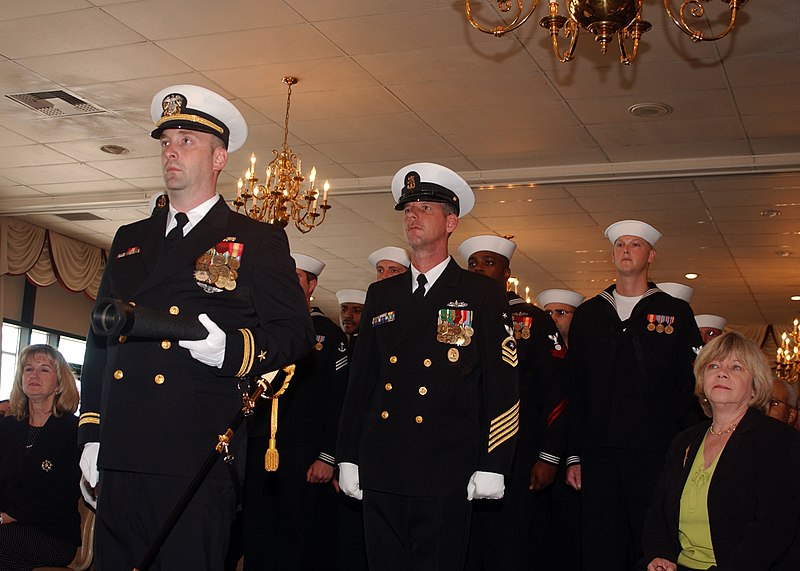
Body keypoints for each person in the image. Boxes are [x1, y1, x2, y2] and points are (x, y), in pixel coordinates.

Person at [77, 84, 314, 569]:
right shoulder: (131, 238)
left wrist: (233, 351)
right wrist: (92, 433)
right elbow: (101, 340)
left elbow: (295, 333)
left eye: (186, 141)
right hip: (122, 449)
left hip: (193, 453)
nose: (171, 152)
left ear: (219, 157)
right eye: (166, 142)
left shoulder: (256, 239)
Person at [337, 162, 520, 570]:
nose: (413, 216)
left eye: (425, 207)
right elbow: (361, 381)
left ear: (451, 221)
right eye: (408, 209)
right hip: (381, 461)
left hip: (445, 466)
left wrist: (494, 464)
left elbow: (502, 387)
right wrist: (347, 454)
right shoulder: (382, 293)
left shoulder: (481, 293)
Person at [566, 219, 704, 570]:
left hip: (655, 450)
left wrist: (689, 449)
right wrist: (572, 455)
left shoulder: (675, 312)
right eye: (620, 244)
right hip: (598, 451)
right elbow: (575, 387)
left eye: (635, 244)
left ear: (651, 255)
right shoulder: (589, 313)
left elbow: (689, 387)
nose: (626, 250)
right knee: (599, 543)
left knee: (651, 541)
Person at [641, 331, 800, 571]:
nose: (721, 372)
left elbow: (773, 527)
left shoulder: (777, 439)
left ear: (755, 388)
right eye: (713, 365)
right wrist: (659, 555)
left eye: (736, 367)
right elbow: (658, 514)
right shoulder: (684, 441)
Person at [459, 235, 569, 571]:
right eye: (473, 264)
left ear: (507, 273)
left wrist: (549, 456)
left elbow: (557, 389)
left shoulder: (531, 320)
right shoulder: (454, 316)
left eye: (489, 263)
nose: (479, 270)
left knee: (508, 546)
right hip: (460, 450)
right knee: (462, 546)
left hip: (517, 451)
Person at [241, 253, 349, 570]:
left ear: (312, 284)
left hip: (305, 453)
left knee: (297, 536)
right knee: (256, 532)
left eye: (297, 277)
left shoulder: (328, 335)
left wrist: (328, 455)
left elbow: (338, 399)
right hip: (259, 447)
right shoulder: (262, 327)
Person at [0, 345, 81, 570]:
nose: (34, 375)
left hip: (52, 532)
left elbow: (62, 496)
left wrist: (7, 517)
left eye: (44, 370)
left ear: (59, 384)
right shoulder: (6, 427)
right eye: (28, 369)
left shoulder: (73, 431)